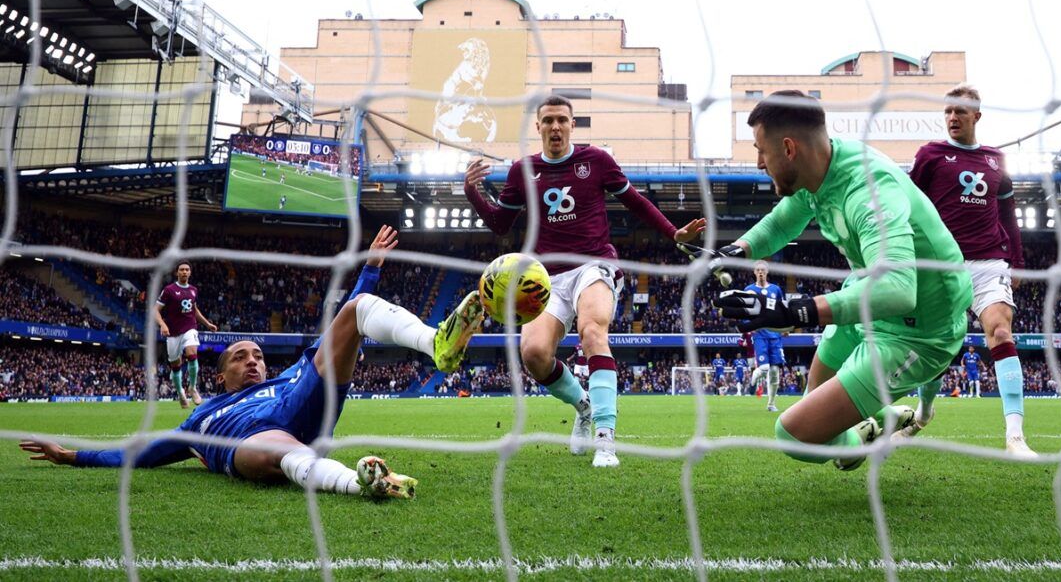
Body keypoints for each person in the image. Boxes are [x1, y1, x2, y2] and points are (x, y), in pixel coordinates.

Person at [20, 226, 485, 498]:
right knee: (274, 446)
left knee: (354, 312)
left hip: (306, 401)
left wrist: (373, 268)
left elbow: (352, 312)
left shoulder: (287, 376)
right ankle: (360, 481)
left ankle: (437, 343)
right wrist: (74, 456)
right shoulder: (201, 417)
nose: (254, 361)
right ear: (219, 374)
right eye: (241, 357)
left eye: (258, 355)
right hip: (254, 442)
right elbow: (140, 454)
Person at [710, 90, 972, 470]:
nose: (758, 163)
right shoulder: (819, 172)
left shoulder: (869, 188)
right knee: (816, 413)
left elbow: (899, 289)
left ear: (788, 148)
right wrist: (735, 251)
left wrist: (797, 311)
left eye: (760, 151)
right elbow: (784, 220)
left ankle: (859, 437)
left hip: (919, 330)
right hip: (864, 301)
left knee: (796, 435)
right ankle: (870, 429)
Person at [464, 95, 706, 467]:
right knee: (534, 355)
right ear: (538, 127)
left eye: (562, 120)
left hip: (595, 264)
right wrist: (472, 193)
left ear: (572, 125)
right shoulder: (521, 171)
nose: (555, 127)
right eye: (548, 121)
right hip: (545, 277)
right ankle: (584, 405)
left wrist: (673, 234)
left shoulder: (596, 161)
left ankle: (606, 440)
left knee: (593, 331)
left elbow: (637, 202)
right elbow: (500, 225)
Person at [904, 84, 1034, 456]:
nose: (952, 118)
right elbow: (911, 204)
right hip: (942, 265)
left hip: (988, 262)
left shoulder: (996, 160)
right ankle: (924, 413)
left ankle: (1015, 436)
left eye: (960, 112)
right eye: (947, 112)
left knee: (1000, 331)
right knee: (938, 348)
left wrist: (1018, 260)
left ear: (976, 115)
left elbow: (1008, 214)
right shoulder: (931, 155)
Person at [154, 261, 218, 408]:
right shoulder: (169, 290)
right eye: (181, 270)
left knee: (192, 353)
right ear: (177, 272)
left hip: (190, 328)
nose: (184, 272)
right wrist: (163, 325)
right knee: (176, 366)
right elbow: (155, 310)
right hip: (172, 333)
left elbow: (194, 310)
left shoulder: (193, 290)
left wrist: (207, 324)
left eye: (187, 270)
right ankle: (180, 392)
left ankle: (193, 387)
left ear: (190, 273)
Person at [745, 260, 787, 412]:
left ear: (767, 272)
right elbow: (745, 310)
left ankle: (771, 403)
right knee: (763, 368)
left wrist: (786, 326)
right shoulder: (749, 289)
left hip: (775, 335)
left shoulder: (776, 289)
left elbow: (783, 308)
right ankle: (753, 381)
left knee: (775, 372)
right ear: (754, 272)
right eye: (758, 270)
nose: (761, 272)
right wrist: (749, 326)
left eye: (763, 270)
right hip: (760, 334)